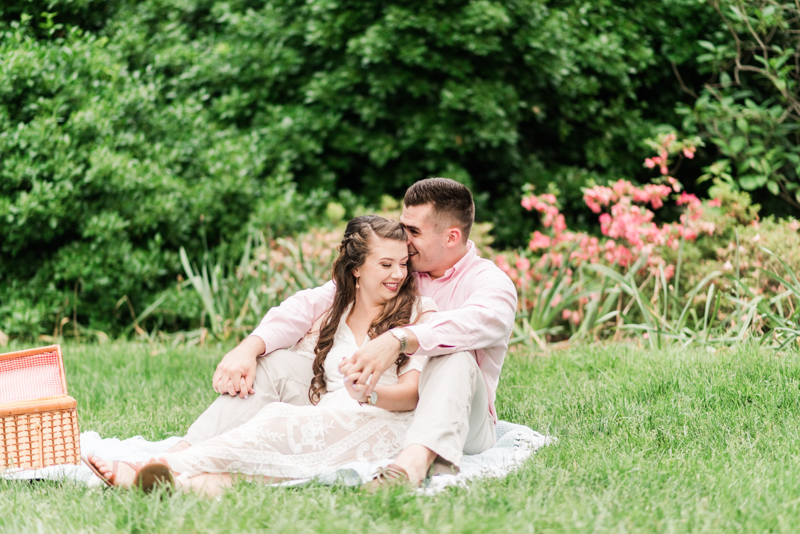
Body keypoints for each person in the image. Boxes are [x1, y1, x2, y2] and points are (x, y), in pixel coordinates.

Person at [167, 177, 517, 487]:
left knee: (453, 354)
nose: (404, 241)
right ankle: (180, 453)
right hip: (372, 399)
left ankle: (413, 465)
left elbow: (482, 321)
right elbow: (312, 303)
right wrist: (249, 346)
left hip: (459, 420)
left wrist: (401, 339)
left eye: (413, 231)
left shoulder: (488, 282)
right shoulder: (403, 269)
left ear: (451, 236)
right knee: (273, 363)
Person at [86, 215, 437, 496]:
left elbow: (413, 394)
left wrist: (370, 394)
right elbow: (289, 314)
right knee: (270, 462)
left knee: (279, 422)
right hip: (330, 415)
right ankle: (173, 483)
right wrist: (248, 348)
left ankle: (162, 463)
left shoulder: (420, 312)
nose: (398, 274)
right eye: (386, 264)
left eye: (403, 264)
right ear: (356, 268)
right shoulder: (334, 308)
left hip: (382, 422)